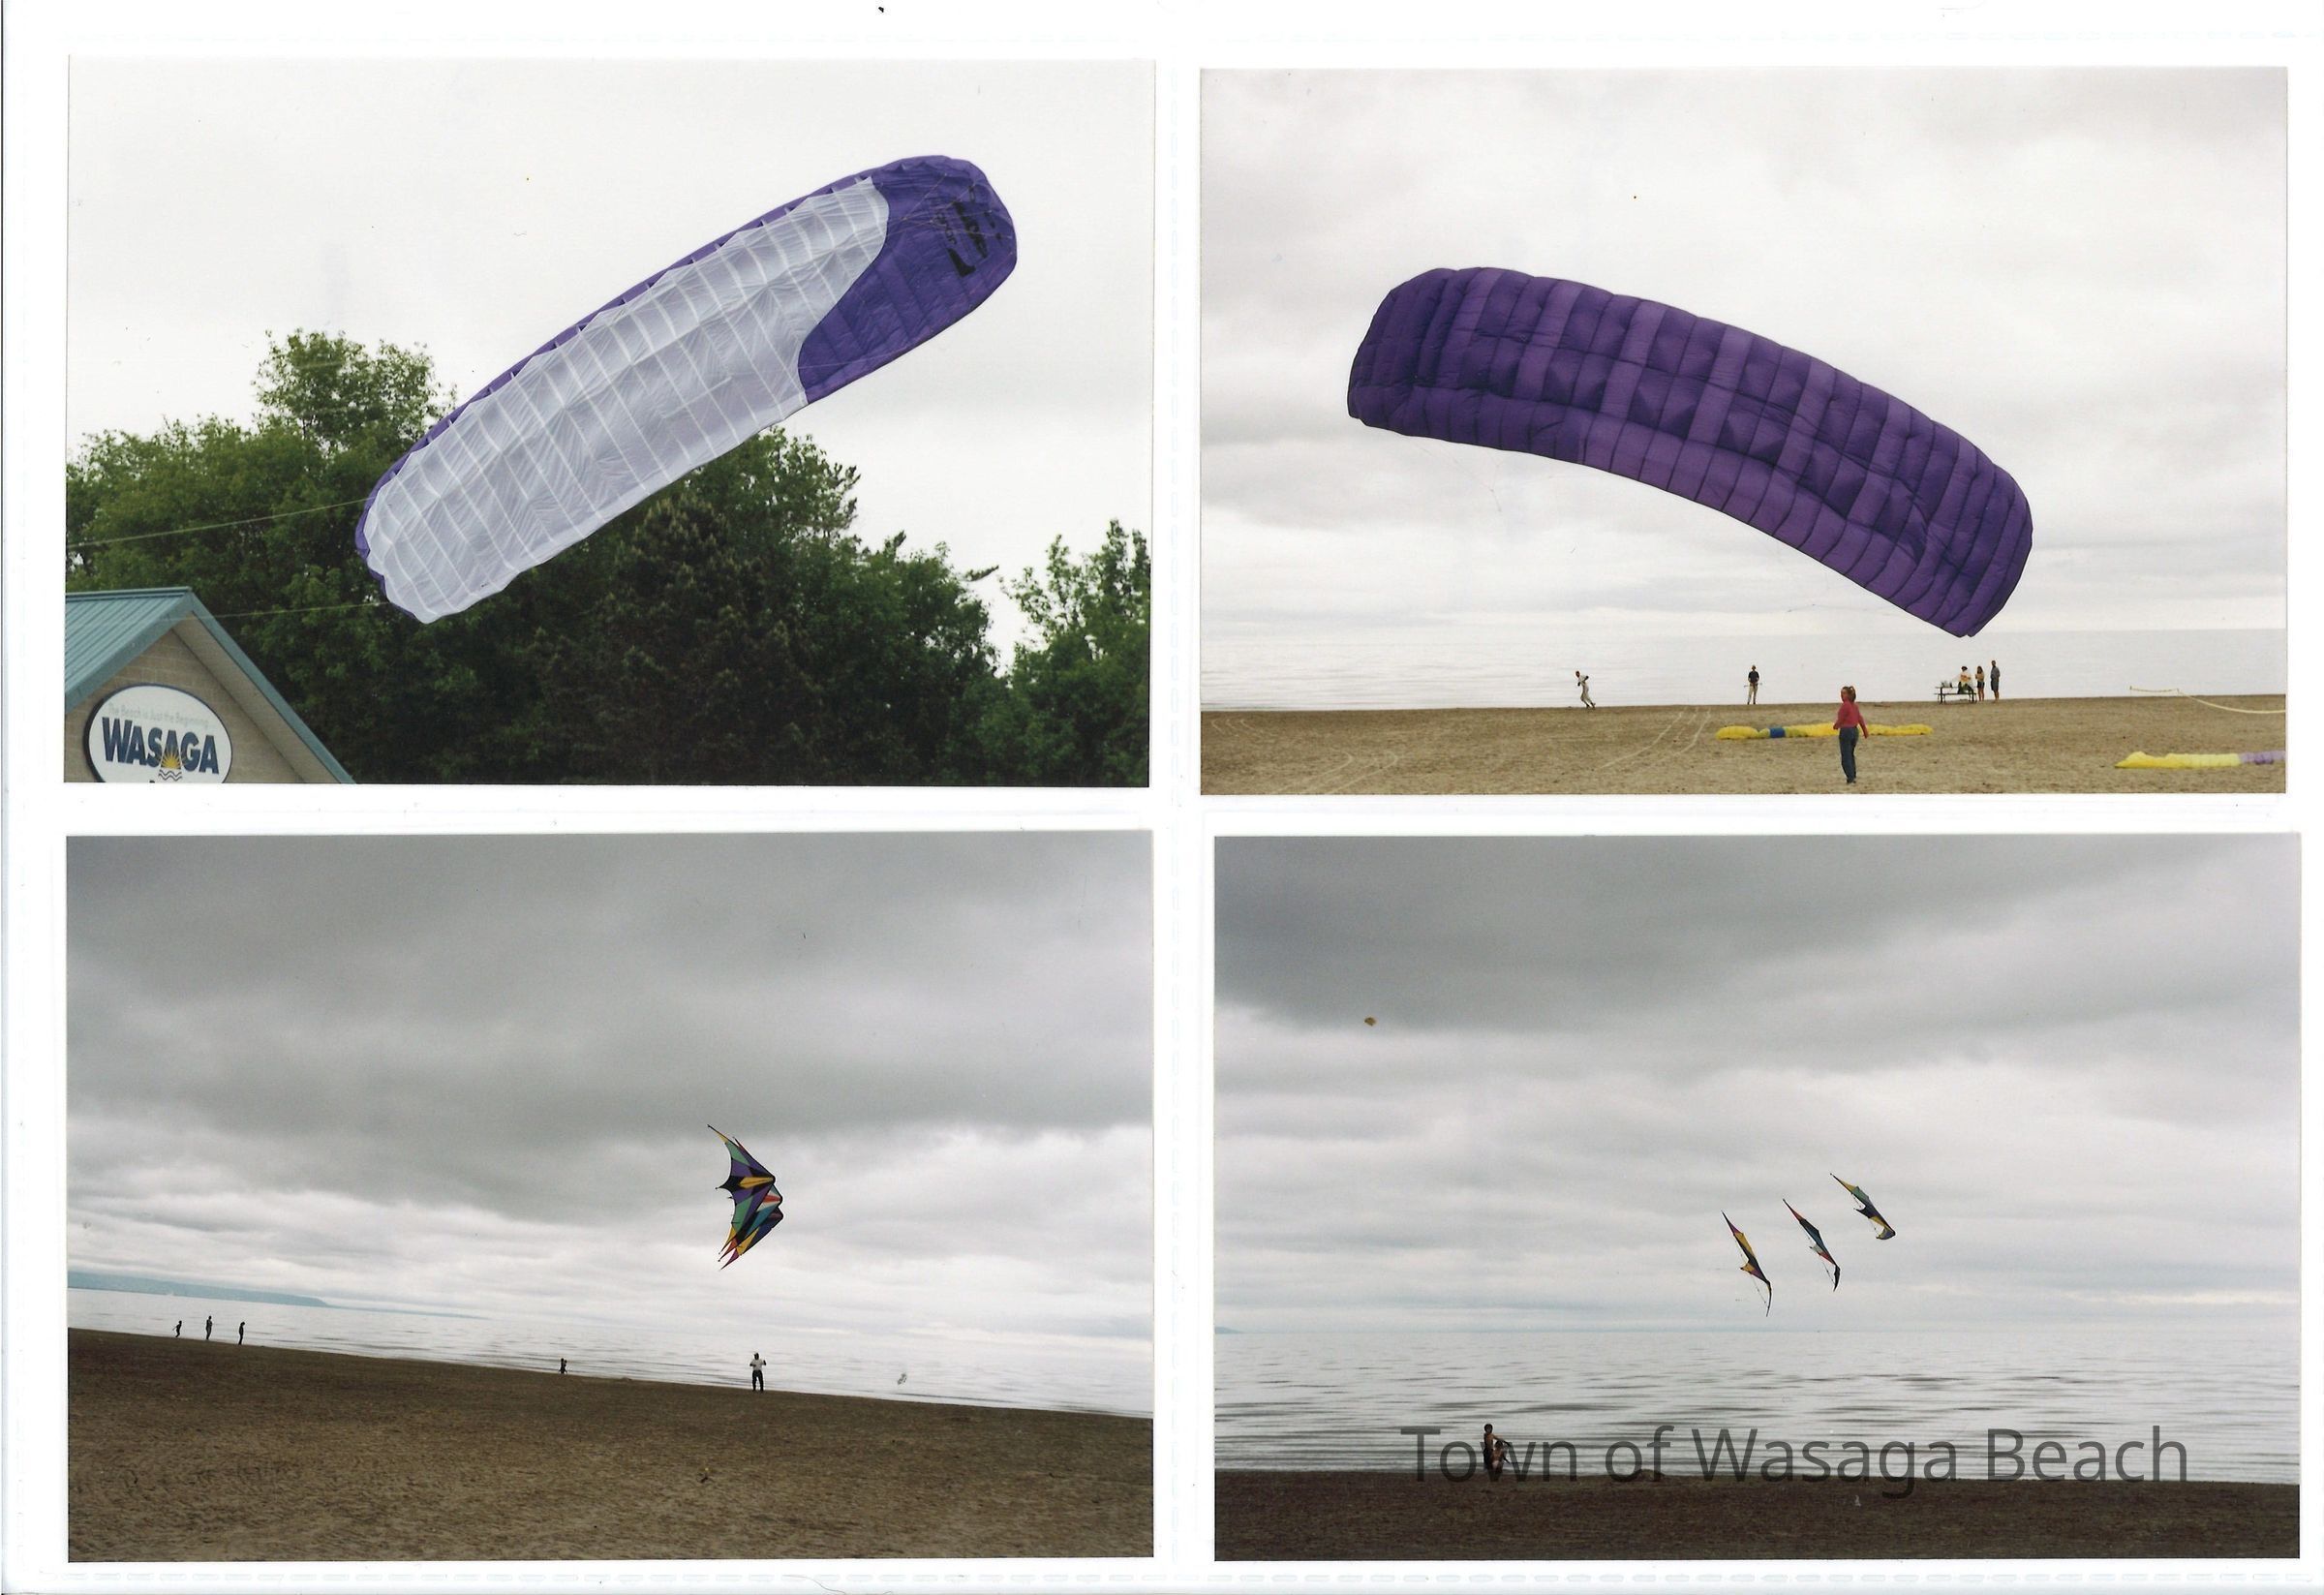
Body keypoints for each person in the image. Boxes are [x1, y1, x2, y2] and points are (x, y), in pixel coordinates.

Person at [1834, 685, 1868, 786]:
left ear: (1849, 695)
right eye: (1841, 693)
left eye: (1844, 693)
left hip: (1846, 731)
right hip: (1854, 731)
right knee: (1850, 755)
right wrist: (1864, 730)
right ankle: (1853, 775)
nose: (1841, 695)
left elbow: (1841, 719)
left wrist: (1836, 726)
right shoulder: (1854, 706)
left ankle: (1850, 777)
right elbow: (1860, 718)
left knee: (1846, 756)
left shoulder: (1845, 705)